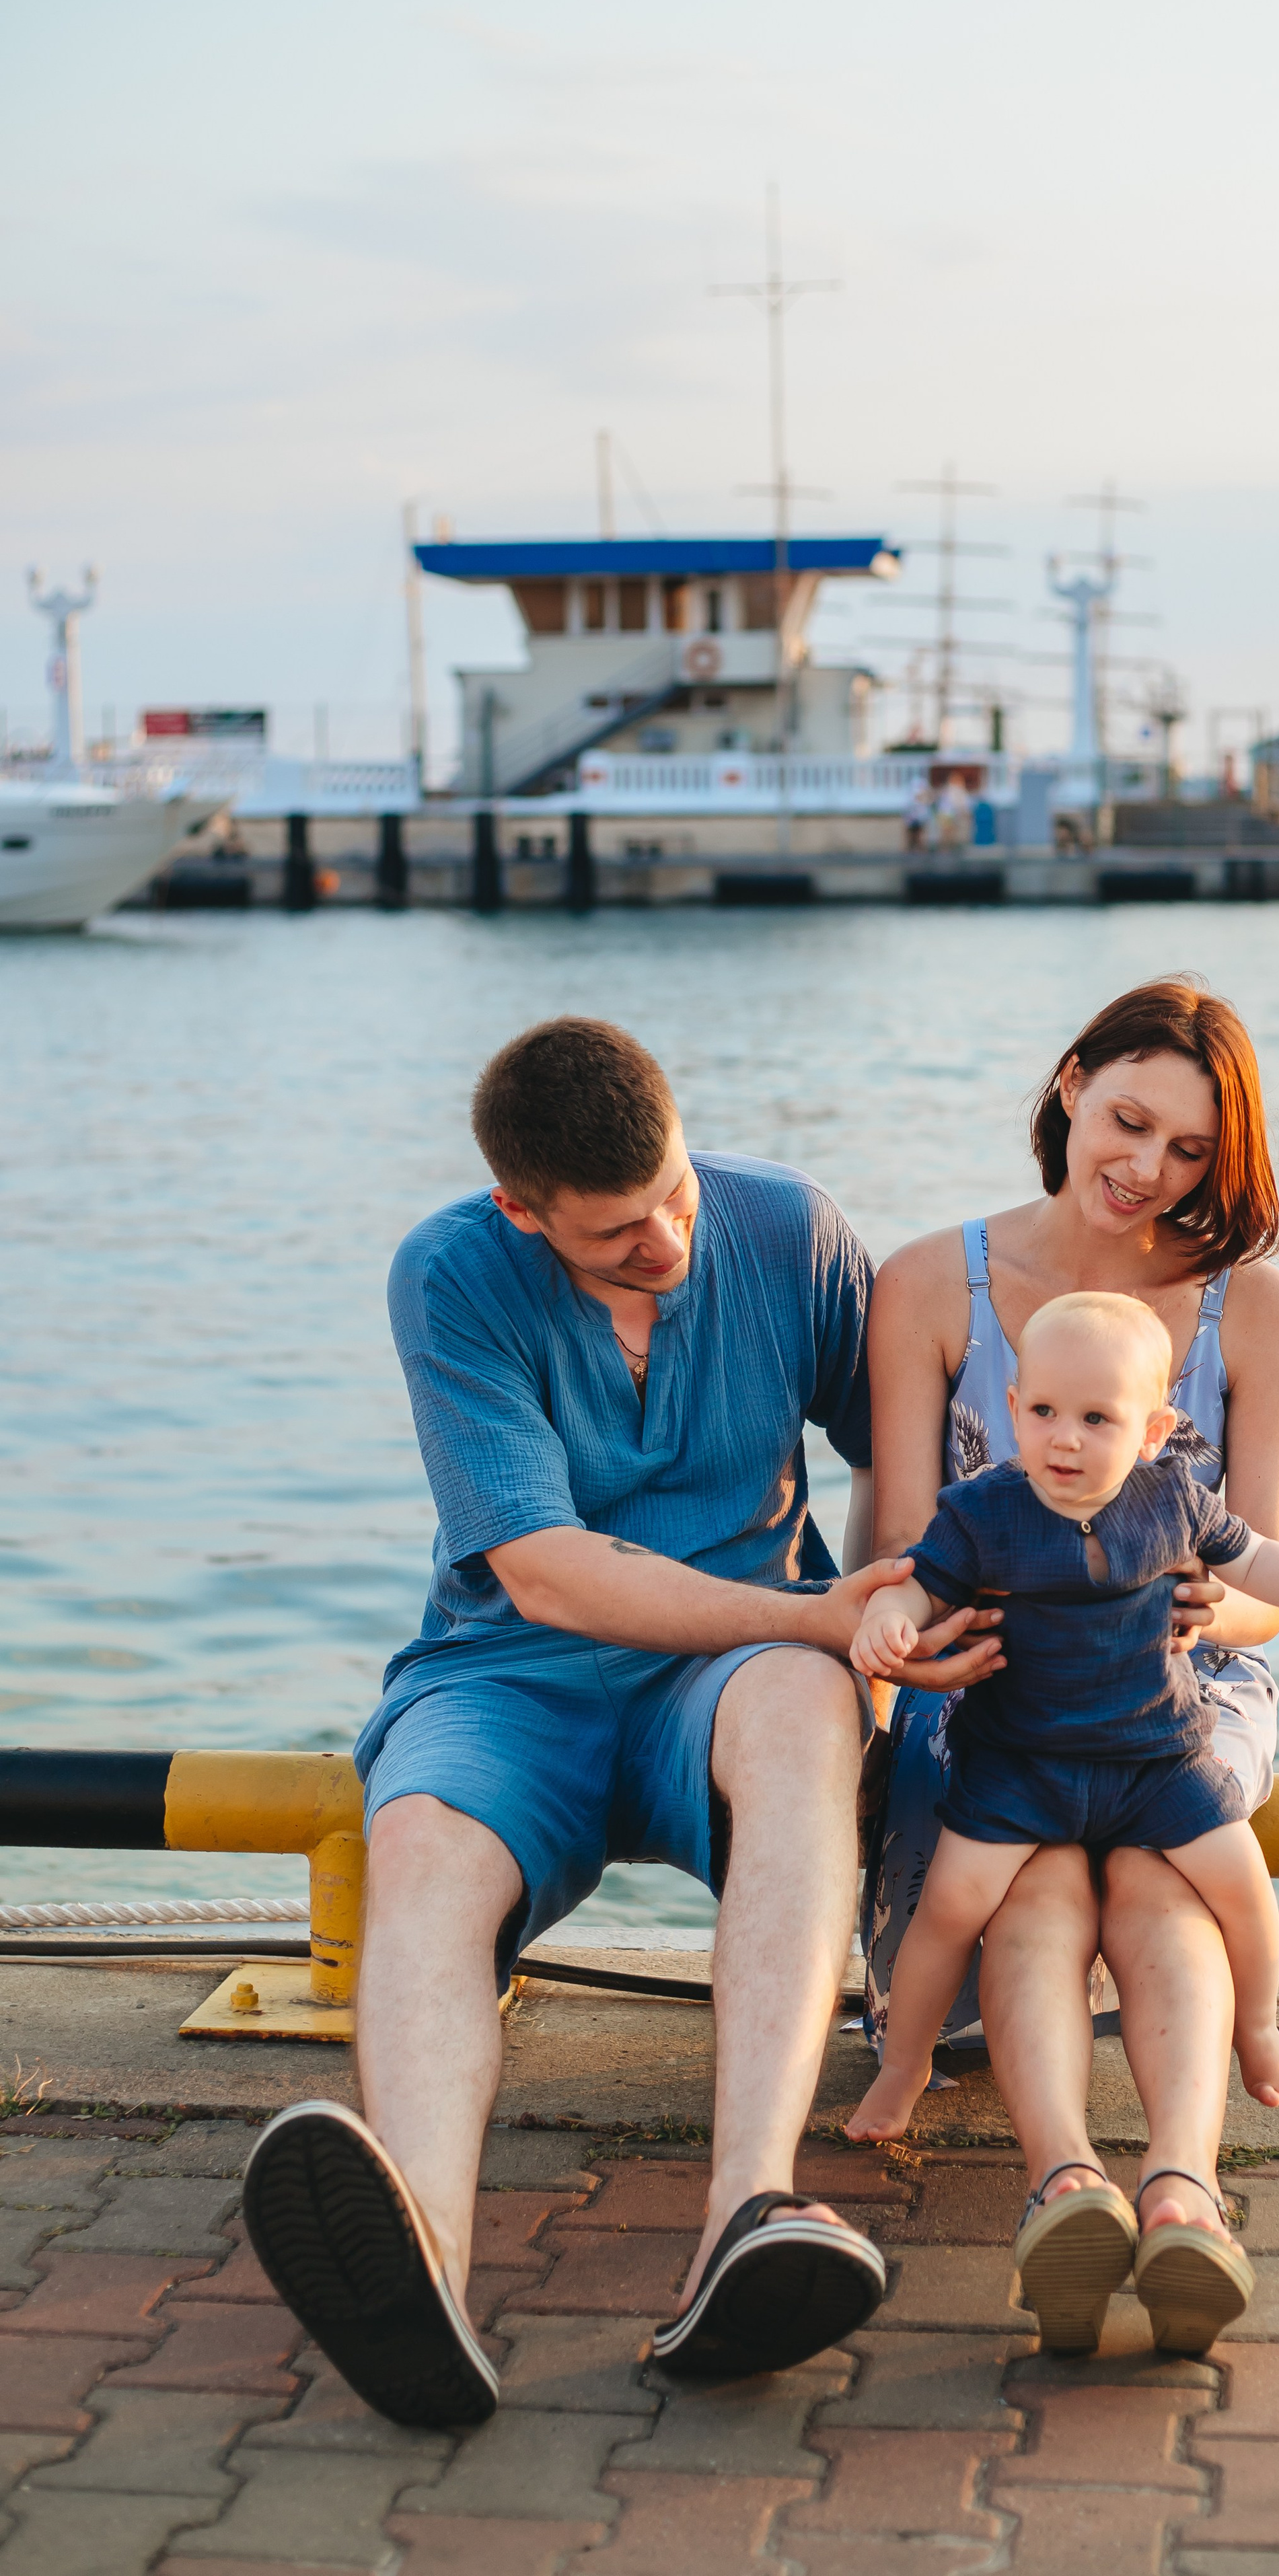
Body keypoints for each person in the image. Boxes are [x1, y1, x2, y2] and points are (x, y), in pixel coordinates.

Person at [239, 1016, 1000, 2424]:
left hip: (736, 1678)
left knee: (808, 1707)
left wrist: (908, 1600)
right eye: (616, 1233)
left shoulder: (786, 1229)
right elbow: (544, 1570)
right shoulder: (449, 1272)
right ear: (520, 1212)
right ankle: (420, 2268)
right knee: (421, 1847)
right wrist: (814, 1614)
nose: (666, 1242)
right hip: (505, 1673)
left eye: (673, 1197)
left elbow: (916, 1444)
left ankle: (745, 2215)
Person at [861, 976, 1279, 2355]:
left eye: (1189, 1150)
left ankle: (1181, 2189)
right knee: (1040, 1884)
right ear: (1069, 1087)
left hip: (1181, 1687)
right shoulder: (930, 1283)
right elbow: (902, 1554)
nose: (1148, 1169)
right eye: (1127, 1121)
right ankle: (1065, 2181)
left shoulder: (1252, 1310)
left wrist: (1198, 1617)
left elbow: (1263, 1585)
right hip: (994, 1685)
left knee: (1163, 1874)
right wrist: (933, 1658)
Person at [846, 1292, 1279, 2175]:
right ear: (1014, 1405)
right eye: (1042, 1411)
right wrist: (890, 1618)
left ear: (1153, 1431)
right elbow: (925, 1582)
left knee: (1243, 1886)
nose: (1063, 1439)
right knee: (948, 1908)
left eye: (1096, 1419)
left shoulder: (1174, 1499)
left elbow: (1256, 1558)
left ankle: (1259, 2028)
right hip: (1020, 1764)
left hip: (1157, 1759)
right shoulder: (985, 1511)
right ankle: (903, 2067)